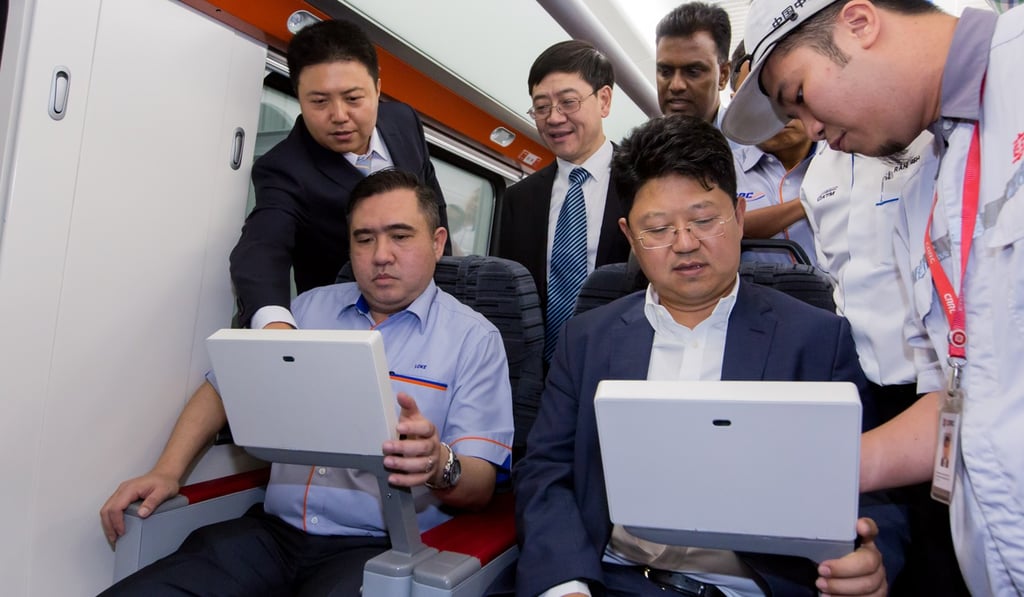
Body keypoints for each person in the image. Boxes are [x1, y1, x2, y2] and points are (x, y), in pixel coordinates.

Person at [514, 114, 888, 597]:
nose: (685, 244)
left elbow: (874, 491)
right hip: (613, 580)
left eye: (704, 220)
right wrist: (566, 585)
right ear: (629, 236)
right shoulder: (587, 339)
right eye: (658, 228)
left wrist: (874, 561)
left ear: (737, 215)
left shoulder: (817, 339)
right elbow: (546, 471)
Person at [722, 0, 1024, 592]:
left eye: (800, 94)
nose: (810, 131)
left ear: (859, 22)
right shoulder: (924, 189)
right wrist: (813, 471)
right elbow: (963, 396)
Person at [100, 170, 512, 595]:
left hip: (380, 548)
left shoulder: (473, 339)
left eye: (401, 236)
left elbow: (480, 484)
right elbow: (222, 387)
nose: (381, 254)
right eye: (364, 238)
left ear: (438, 242)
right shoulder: (309, 310)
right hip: (272, 535)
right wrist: (168, 471)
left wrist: (437, 463)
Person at [800, 135, 969, 595]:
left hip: (935, 385)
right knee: (880, 548)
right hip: (861, 390)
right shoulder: (819, 174)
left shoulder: (933, 146)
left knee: (948, 554)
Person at [230, 19, 449, 330]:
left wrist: (447, 282)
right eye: (319, 102)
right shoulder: (285, 168)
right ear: (299, 97)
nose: (339, 116)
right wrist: (274, 324)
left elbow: (434, 206)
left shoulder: (404, 121)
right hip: (346, 323)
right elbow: (262, 247)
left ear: (377, 88)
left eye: (353, 98)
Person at [497, 41, 630, 362]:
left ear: (604, 100)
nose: (554, 118)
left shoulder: (643, 183)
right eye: (541, 107)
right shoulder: (519, 198)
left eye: (568, 102)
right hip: (538, 373)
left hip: (622, 359)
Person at [729, 41, 817, 264]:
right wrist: (808, 202)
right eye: (758, 99)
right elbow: (718, 230)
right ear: (736, 104)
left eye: (788, 89)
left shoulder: (850, 158)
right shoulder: (721, 171)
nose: (778, 109)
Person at [655, 2, 732, 129]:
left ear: (723, 75)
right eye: (665, 72)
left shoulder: (753, 146)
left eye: (693, 71)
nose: (676, 86)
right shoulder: (642, 147)